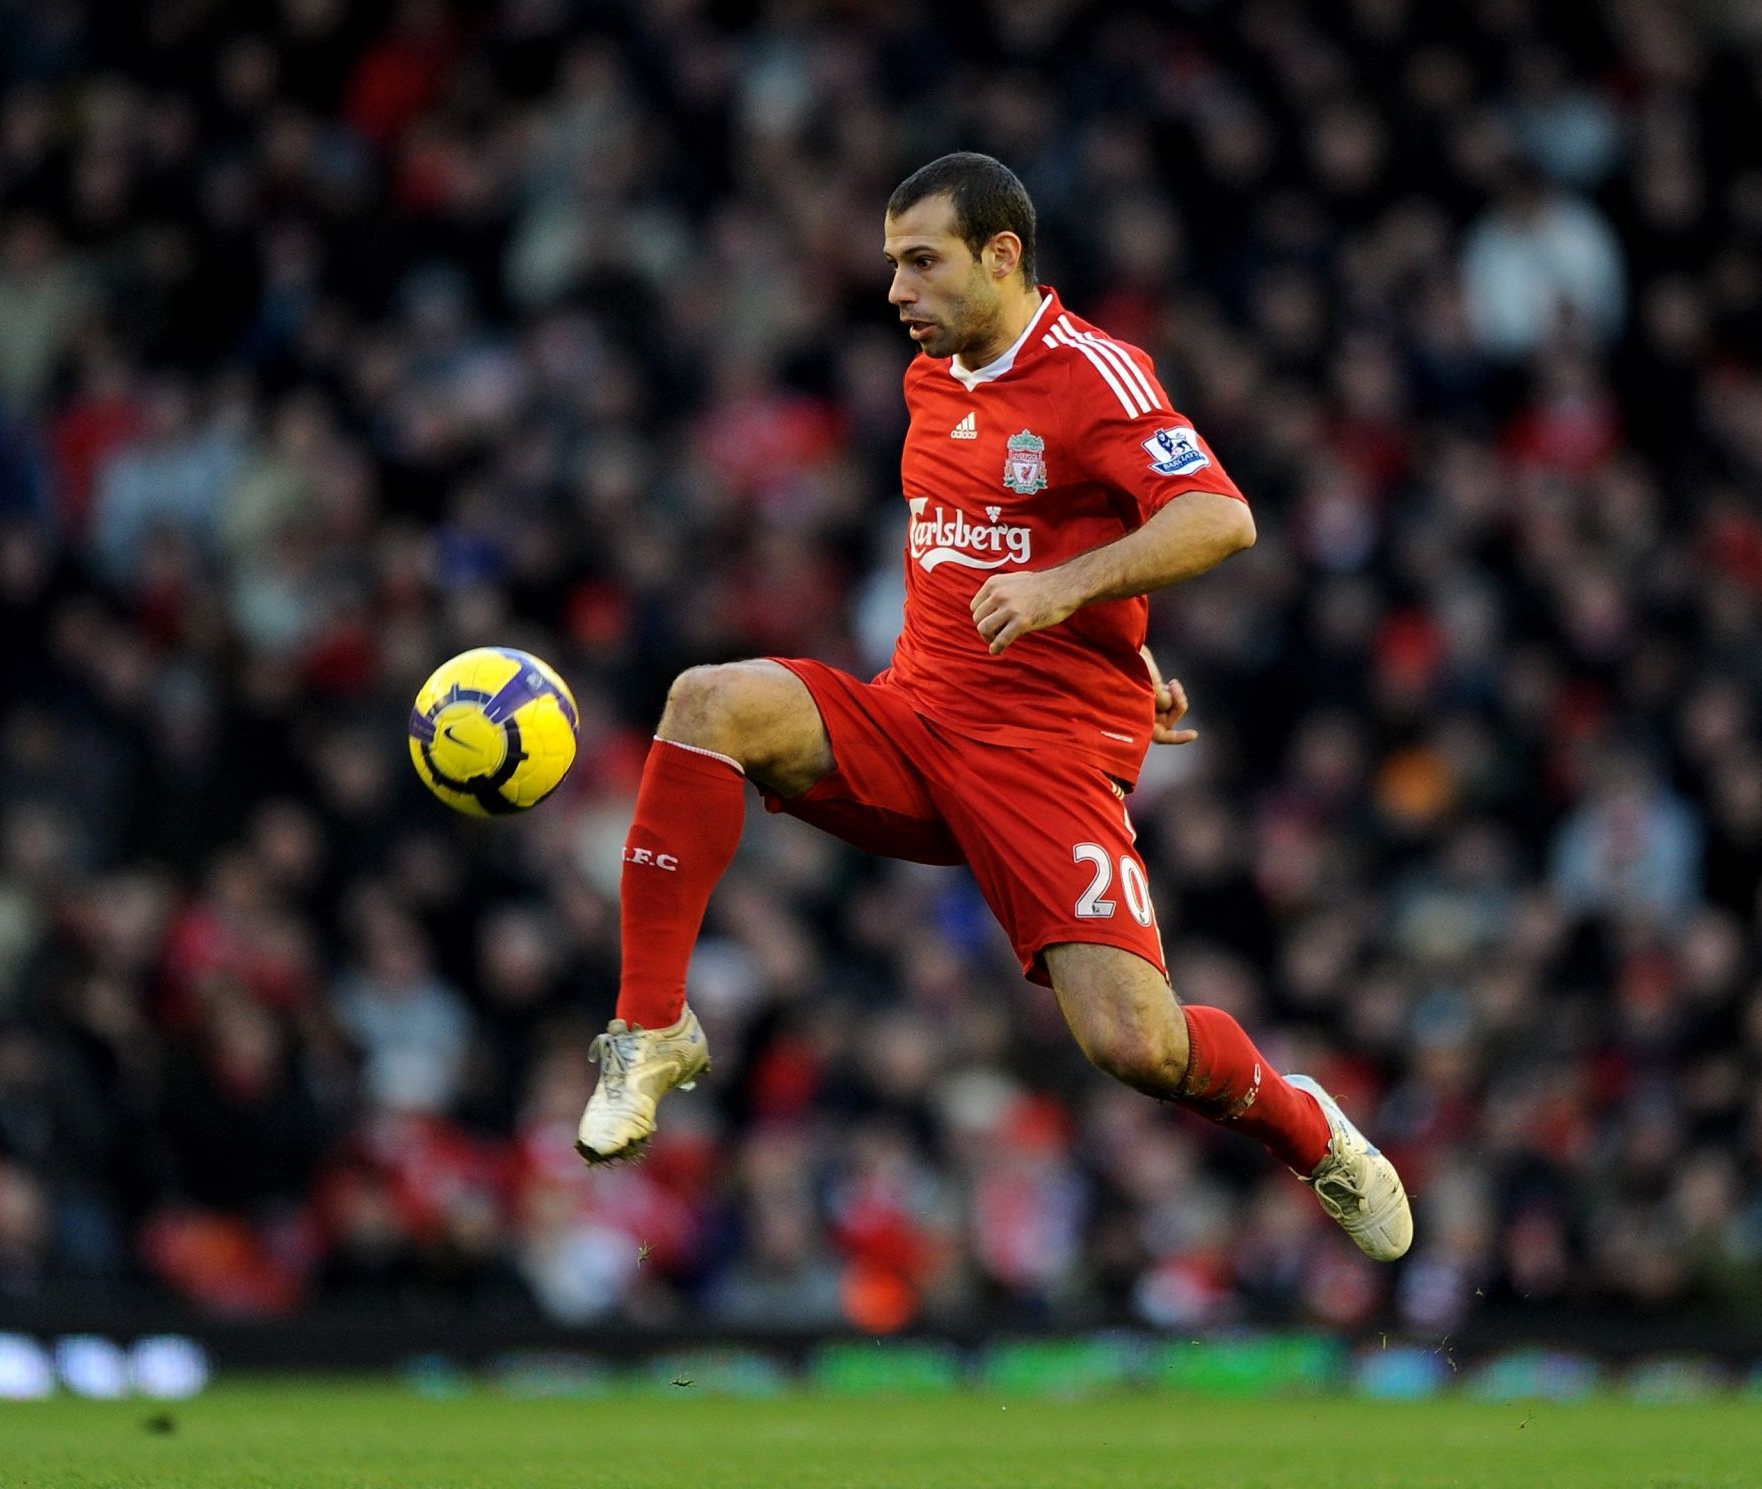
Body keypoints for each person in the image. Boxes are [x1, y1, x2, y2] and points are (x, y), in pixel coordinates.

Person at [575, 153, 1412, 1263]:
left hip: (1043, 765)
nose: (895, 291)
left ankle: (1305, 1123)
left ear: (1002, 255)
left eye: (922, 262)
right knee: (709, 700)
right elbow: (1003, 537)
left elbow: (1219, 517)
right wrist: (1117, 647)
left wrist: (1075, 605)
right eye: (890, 265)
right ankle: (651, 1028)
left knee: (1139, 1049)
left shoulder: (1092, 372)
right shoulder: (934, 375)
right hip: (913, 720)